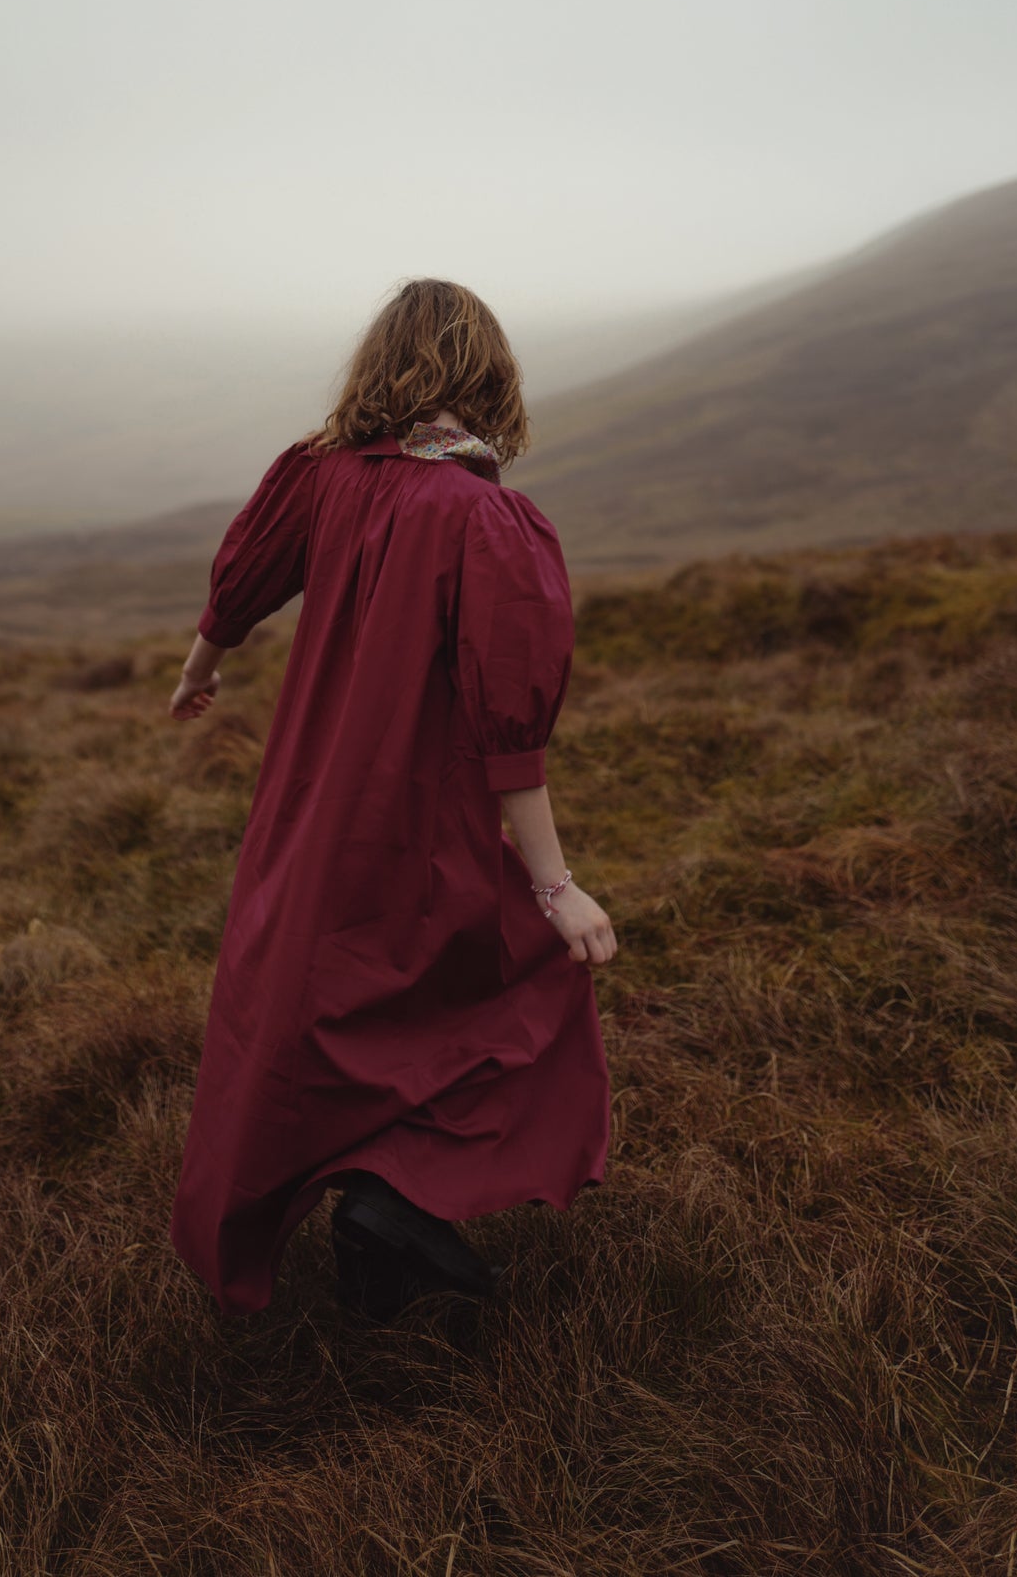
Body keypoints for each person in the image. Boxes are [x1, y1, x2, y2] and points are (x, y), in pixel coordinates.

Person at [167, 278, 616, 1320]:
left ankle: (376, 1229)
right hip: (417, 818)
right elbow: (512, 726)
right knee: (506, 995)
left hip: (305, 812)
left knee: (325, 1012)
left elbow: (240, 581)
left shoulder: (320, 476)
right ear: (485, 375)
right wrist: (554, 885)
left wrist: (198, 667)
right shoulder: (483, 515)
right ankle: (391, 1199)